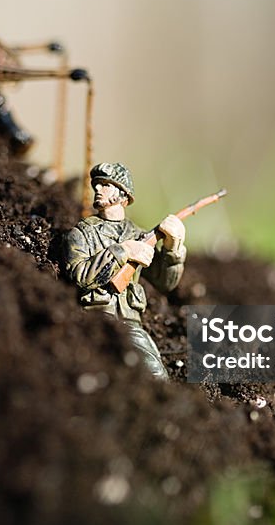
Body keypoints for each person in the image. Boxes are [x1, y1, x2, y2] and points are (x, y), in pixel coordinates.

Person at [63, 163, 186, 380]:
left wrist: (172, 249)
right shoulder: (82, 233)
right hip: (95, 317)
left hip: (130, 323)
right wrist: (124, 250)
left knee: (156, 375)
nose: (98, 190)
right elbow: (79, 277)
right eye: (97, 185)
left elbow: (165, 282)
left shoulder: (139, 234)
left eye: (105, 185)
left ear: (123, 194)